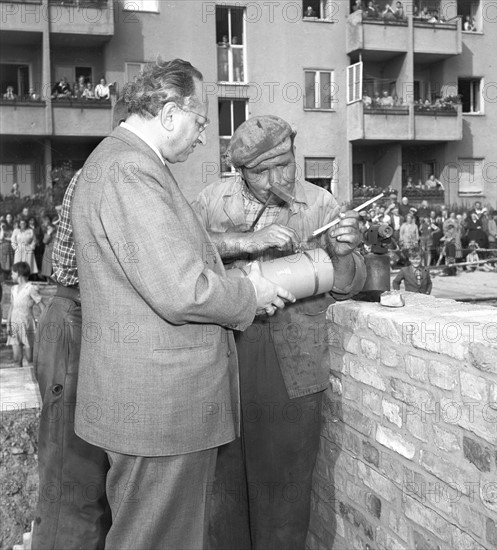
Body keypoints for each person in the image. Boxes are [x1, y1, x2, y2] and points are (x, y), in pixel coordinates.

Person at [71, 59, 293, 549]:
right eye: (200, 122)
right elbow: (180, 288)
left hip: (154, 405)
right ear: (170, 113)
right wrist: (249, 294)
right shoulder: (130, 170)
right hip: (159, 411)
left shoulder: (127, 164)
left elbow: (160, 271)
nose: (201, 138)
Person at [194, 114, 366, 550]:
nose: (277, 179)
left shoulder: (321, 203)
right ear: (239, 170)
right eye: (261, 171)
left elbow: (348, 286)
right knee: (223, 491)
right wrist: (241, 242)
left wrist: (345, 254)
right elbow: (181, 261)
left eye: (285, 164)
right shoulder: (212, 202)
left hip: (293, 364)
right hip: (222, 357)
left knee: (285, 494)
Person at [31, 100, 130, 550]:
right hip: (74, 323)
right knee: (74, 484)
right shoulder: (113, 171)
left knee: (90, 481)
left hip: (81, 320)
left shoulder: (113, 166)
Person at [6, 262, 45, 367]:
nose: (11, 275)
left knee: (30, 358)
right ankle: (18, 381)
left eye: (13, 273)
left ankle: (32, 381)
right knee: (16, 358)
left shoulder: (30, 288)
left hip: (27, 324)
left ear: (19, 273)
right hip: (14, 324)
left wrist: (44, 321)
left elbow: (41, 305)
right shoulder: (13, 289)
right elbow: (12, 306)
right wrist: (8, 324)